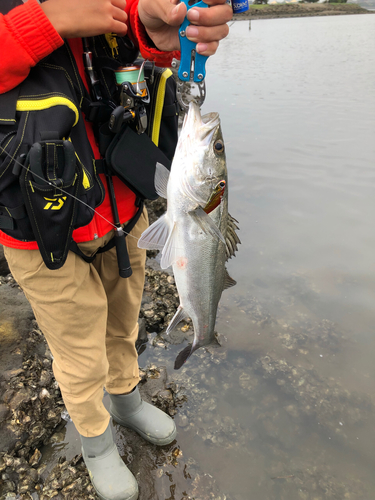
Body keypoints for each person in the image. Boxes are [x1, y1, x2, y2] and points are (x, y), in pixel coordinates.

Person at [0, 0, 232, 499]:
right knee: (79, 352)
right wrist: (45, 24)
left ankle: (125, 400)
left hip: (124, 214)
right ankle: (95, 439)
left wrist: (149, 25)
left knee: (124, 322)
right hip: (41, 236)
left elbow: (130, 34)